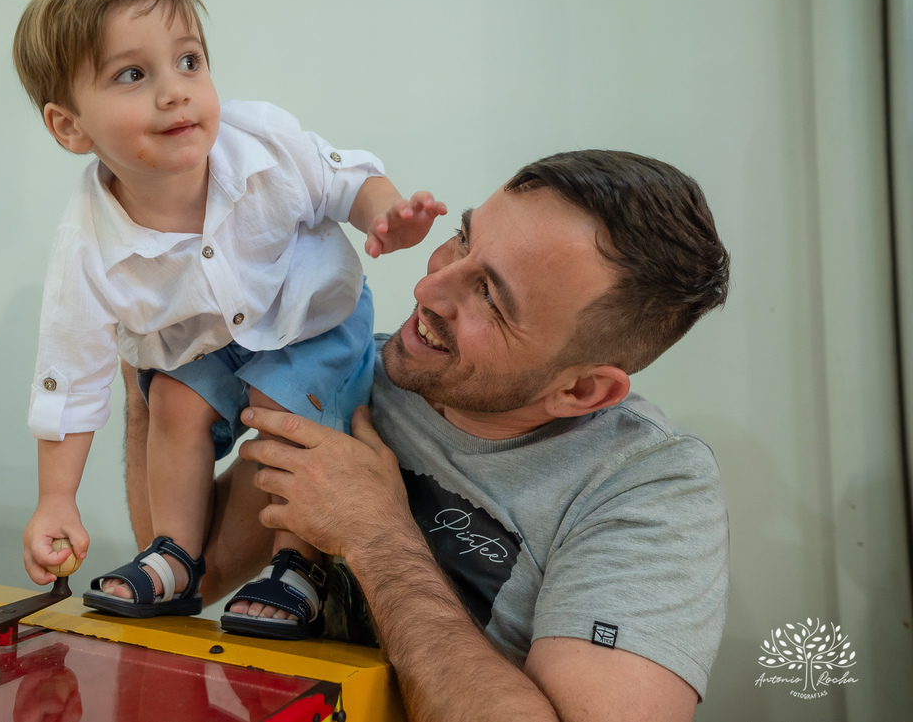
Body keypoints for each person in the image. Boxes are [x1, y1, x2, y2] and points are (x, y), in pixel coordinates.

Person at [123, 149, 731, 720]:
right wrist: (149, 368)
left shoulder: (647, 488)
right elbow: (186, 568)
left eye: (490, 298)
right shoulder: (357, 375)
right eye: (463, 238)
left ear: (580, 391)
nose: (426, 289)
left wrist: (377, 535)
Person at [13, 0, 446, 640]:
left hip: (309, 319)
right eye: (133, 74)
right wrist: (56, 497)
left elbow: (345, 179)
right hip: (207, 338)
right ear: (71, 128)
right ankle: (176, 556)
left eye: (188, 61)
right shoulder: (86, 245)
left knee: (283, 412)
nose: (174, 92)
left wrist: (387, 213)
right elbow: (69, 374)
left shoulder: (264, 143)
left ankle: (297, 564)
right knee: (172, 401)